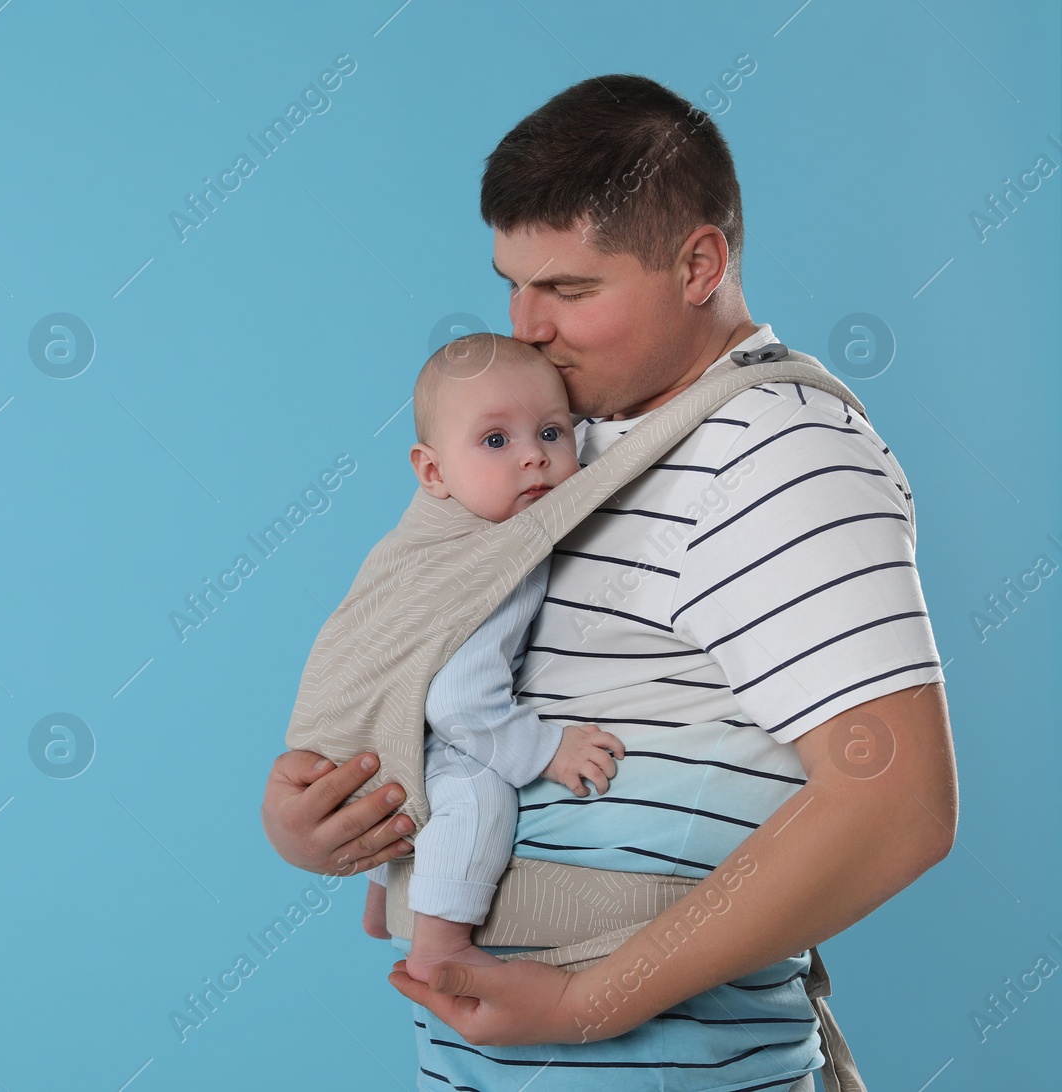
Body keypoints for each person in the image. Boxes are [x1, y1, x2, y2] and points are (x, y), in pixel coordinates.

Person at [260, 73, 956, 1090]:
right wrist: (328, 819)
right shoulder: (553, 446)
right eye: (512, 282)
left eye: (570, 290)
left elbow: (897, 804)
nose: (525, 324)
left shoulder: (781, 455)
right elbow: (439, 683)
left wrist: (593, 1005)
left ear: (698, 263)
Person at [357, 334, 627, 984]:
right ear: (433, 472)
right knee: (482, 796)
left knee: (409, 801)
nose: (535, 456)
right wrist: (547, 752)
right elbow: (461, 703)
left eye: (554, 433)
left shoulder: (426, 542)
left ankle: (380, 900)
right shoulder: (500, 558)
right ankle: (440, 944)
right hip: (434, 742)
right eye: (496, 441)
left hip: (383, 742)